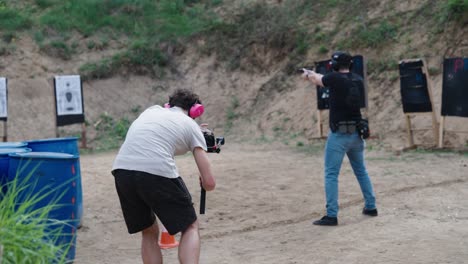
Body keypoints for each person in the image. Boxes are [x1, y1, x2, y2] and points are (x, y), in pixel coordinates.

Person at [111, 88, 216, 264]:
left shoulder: (151, 111)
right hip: (156, 171)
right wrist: (205, 183)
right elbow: (210, 183)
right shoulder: (190, 125)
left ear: (169, 105)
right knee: (190, 227)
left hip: (122, 170)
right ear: (194, 110)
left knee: (149, 231)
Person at [302, 51, 377, 226]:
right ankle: (371, 206)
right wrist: (313, 74)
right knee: (361, 171)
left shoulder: (334, 78)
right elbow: (323, 78)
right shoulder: (357, 79)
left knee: (331, 174)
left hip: (339, 136)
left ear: (334, 65)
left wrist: (308, 75)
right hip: (357, 134)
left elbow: (319, 80)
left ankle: (331, 215)